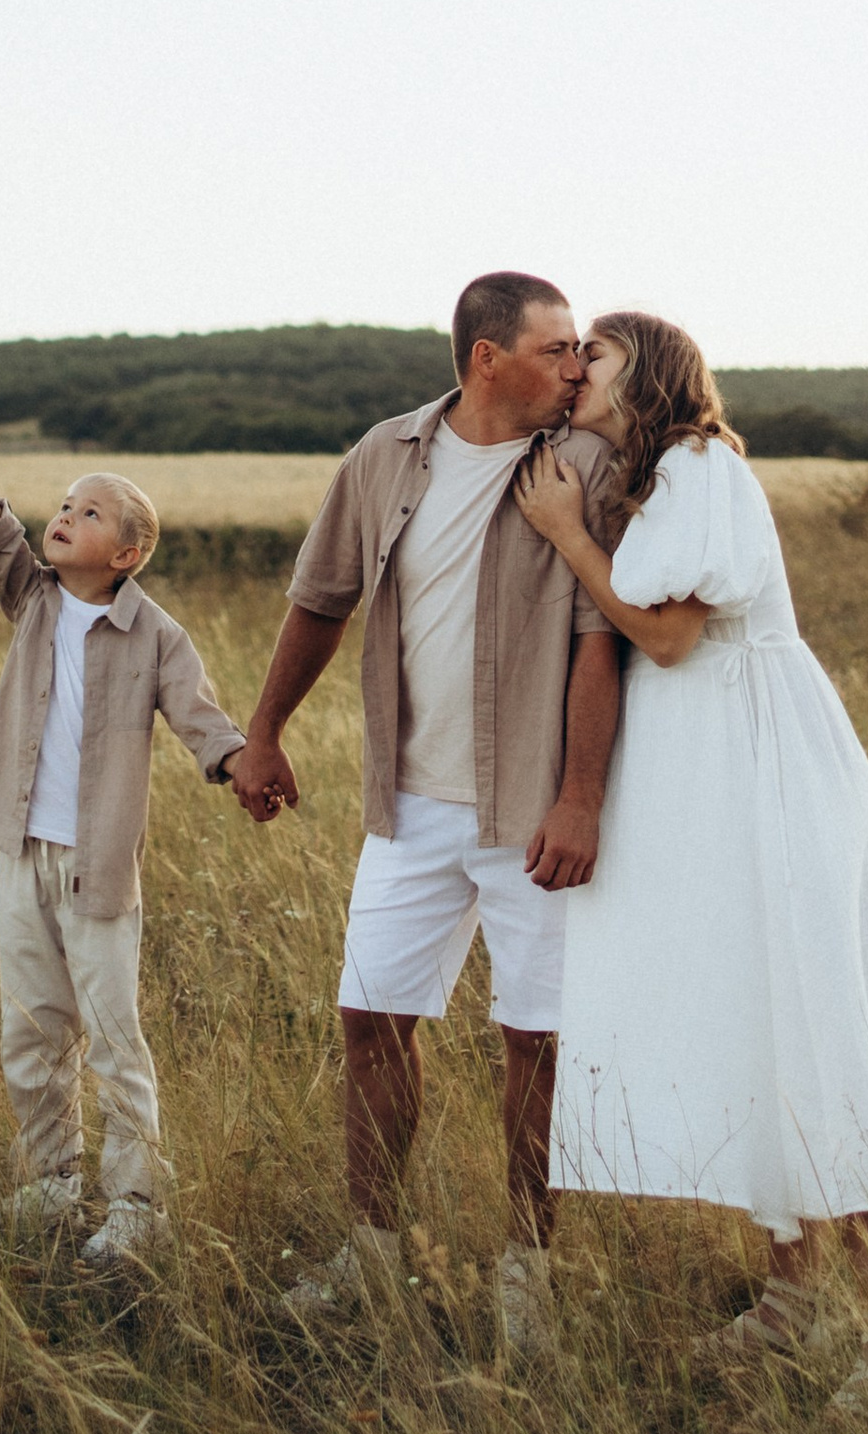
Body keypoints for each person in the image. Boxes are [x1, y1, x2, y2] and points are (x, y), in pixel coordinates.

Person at [515, 311, 868, 1412]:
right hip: (713, 778)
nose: (574, 366)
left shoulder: (698, 462)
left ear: (642, 367)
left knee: (815, 1027)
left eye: (591, 351)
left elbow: (669, 635)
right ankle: (792, 1296)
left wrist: (564, 534)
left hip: (764, 770)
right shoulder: (660, 477)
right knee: (755, 1018)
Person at [229, 273, 625, 1362]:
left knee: (534, 1042)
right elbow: (321, 598)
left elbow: (604, 639)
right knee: (371, 1019)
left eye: (583, 350)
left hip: (529, 808)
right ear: (485, 357)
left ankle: (527, 1275)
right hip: (408, 804)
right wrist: (263, 730)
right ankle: (367, 1255)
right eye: (555, 350)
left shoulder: (581, 466)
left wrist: (580, 796)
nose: (576, 369)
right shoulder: (385, 455)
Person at [0, 352, 266, 1267]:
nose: (64, 517)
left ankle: (136, 1202)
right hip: (18, 848)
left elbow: (200, 715)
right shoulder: (32, 596)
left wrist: (239, 762)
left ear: (129, 551)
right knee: (30, 1031)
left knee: (112, 1040)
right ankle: (51, 1181)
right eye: (63, 505)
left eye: (88, 511)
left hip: (96, 865)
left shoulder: (155, 633)